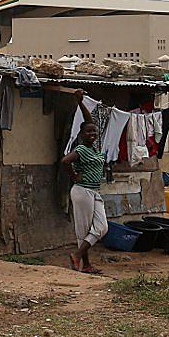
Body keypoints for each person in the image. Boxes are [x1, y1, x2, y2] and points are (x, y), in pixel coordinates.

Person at [61, 89, 108, 273]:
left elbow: (89, 120)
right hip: (81, 191)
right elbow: (65, 161)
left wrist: (81, 102)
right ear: (81, 134)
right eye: (88, 131)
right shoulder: (81, 148)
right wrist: (74, 176)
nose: (92, 134)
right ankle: (85, 264)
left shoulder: (95, 148)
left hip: (94, 191)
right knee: (84, 229)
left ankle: (78, 256)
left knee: (101, 227)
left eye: (94, 132)